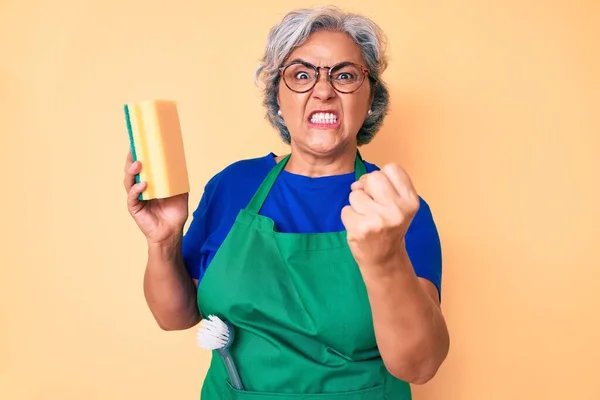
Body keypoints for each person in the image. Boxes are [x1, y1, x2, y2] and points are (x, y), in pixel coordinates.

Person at [123, 5, 449, 399]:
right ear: (277, 96)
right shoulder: (234, 186)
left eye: (345, 75)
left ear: (370, 98)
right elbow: (174, 317)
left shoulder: (393, 206)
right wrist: (164, 241)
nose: (324, 90)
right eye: (301, 75)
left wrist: (385, 258)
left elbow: (420, 365)